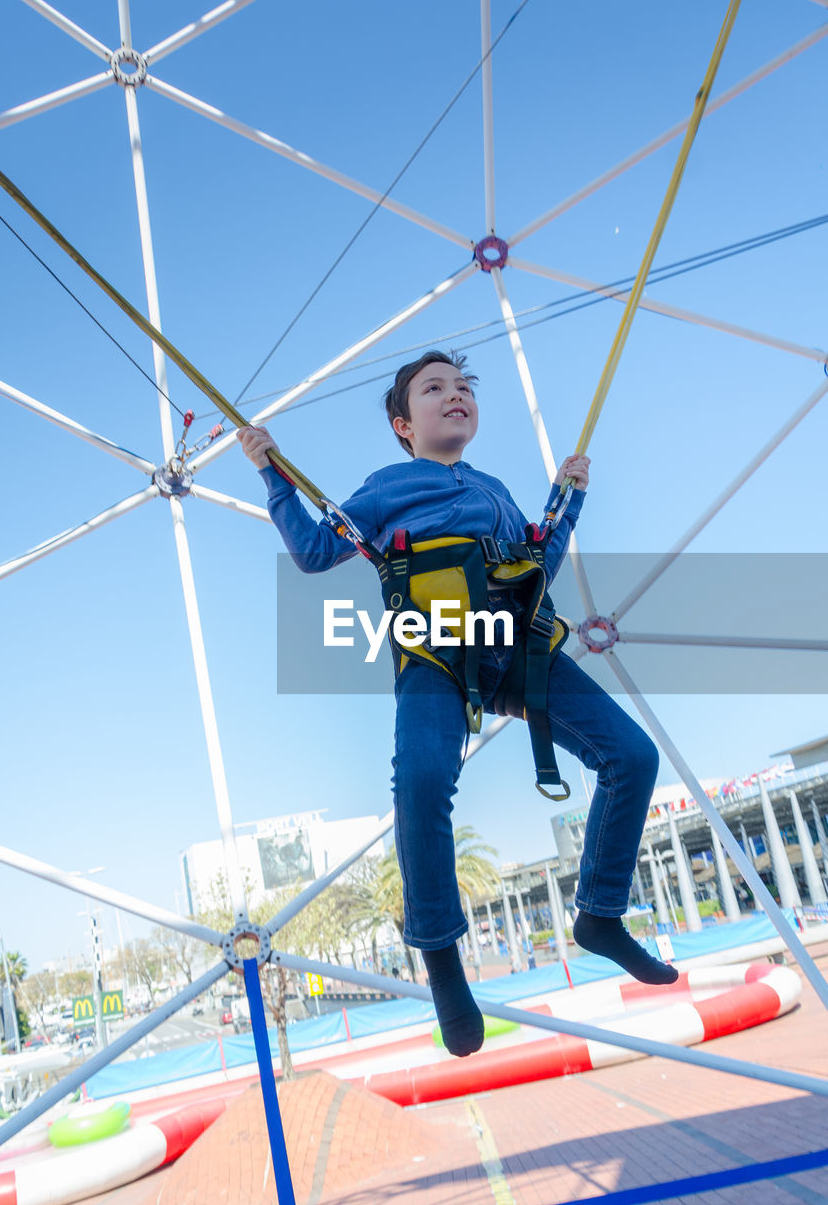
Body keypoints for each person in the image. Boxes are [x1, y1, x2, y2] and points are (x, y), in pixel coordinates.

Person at [238, 350, 677, 1057]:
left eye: (465, 387)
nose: (457, 395)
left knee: (633, 755)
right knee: (419, 779)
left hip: (516, 647)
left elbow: (535, 562)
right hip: (435, 652)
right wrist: (272, 472)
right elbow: (317, 551)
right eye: (435, 388)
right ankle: (441, 958)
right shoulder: (388, 486)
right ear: (402, 424)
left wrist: (568, 501)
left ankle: (600, 913)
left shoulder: (495, 489)